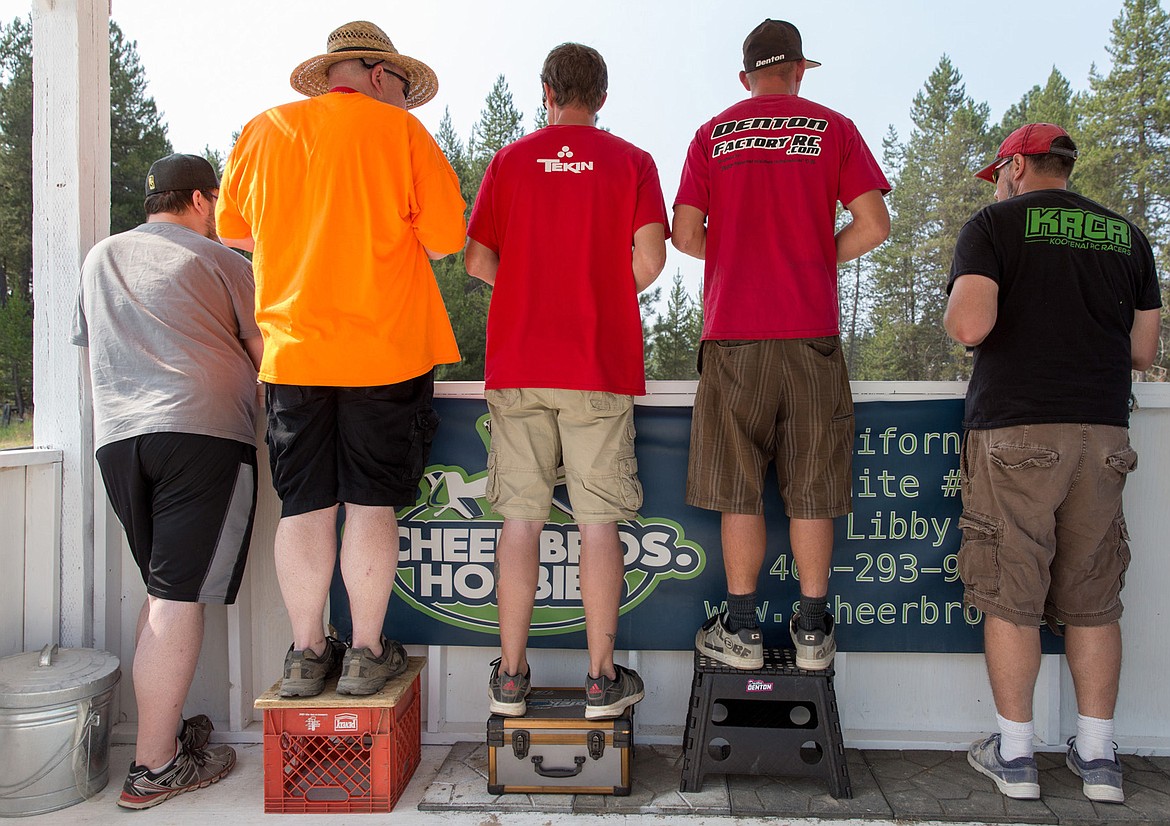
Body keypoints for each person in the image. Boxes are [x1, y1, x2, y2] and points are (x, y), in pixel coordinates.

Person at [216, 21, 466, 697]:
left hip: (294, 354)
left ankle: (304, 655)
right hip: (385, 352)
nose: (406, 103)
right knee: (371, 506)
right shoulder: (403, 134)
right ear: (378, 76)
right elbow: (446, 239)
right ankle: (363, 652)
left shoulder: (264, 129)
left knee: (304, 508)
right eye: (403, 89)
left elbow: (233, 228)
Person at [946, 123, 1161, 804]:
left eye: (998, 173)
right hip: (1102, 432)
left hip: (1016, 428)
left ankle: (1015, 756)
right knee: (1094, 599)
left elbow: (969, 326)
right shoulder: (1124, 234)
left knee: (1012, 594)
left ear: (1015, 167)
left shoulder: (993, 224)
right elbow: (1143, 350)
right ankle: (1098, 758)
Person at [672, 20, 890, 671]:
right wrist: (815, 259)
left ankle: (740, 630)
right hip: (811, 333)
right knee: (814, 488)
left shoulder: (711, 134)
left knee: (739, 487)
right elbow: (875, 224)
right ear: (799, 70)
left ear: (745, 78)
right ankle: (815, 631)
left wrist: (739, 259)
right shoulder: (835, 128)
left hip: (735, 336)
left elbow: (684, 236)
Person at [465, 43, 667, 719]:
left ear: (546, 90)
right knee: (598, 525)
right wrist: (600, 296)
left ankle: (512, 679)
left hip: (520, 363)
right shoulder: (632, 162)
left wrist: (531, 292)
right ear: (602, 98)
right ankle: (601, 680)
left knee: (520, 522)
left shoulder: (509, 161)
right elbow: (650, 259)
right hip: (596, 366)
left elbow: (476, 258)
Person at [72, 153, 260, 808]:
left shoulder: (100, 258)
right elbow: (270, 353)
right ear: (204, 201)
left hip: (119, 439)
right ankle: (154, 767)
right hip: (200, 435)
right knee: (177, 596)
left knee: (161, 593)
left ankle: (165, 739)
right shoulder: (224, 263)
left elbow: (92, 344)